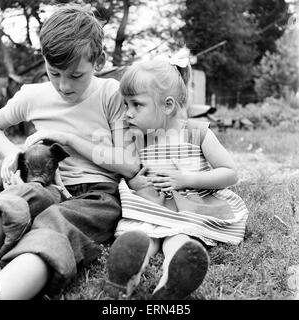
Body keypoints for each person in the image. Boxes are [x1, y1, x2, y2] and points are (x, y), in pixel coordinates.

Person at [0, 5, 139, 300]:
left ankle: (5, 291)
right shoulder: (32, 95)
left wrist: (68, 138)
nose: (63, 85)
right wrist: (12, 153)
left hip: (93, 197)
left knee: (55, 225)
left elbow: (129, 164)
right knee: (13, 202)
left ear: (98, 61)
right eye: (54, 72)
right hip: (40, 182)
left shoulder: (111, 94)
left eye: (76, 75)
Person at [105, 51, 249, 300]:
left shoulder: (197, 132)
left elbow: (230, 174)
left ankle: (172, 278)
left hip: (188, 206)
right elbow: (128, 172)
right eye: (126, 105)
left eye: (136, 104)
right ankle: (126, 275)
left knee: (180, 235)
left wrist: (186, 179)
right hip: (150, 205)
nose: (127, 113)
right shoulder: (138, 138)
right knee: (142, 236)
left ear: (168, 105)